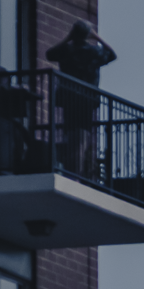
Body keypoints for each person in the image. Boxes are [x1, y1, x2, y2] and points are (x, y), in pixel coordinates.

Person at [45, 21, 117, 177]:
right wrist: (96, 36)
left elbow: (49, 54)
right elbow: (112, 54)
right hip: (86, 100)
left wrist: (68, 38)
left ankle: (73, 170)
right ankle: (76, 173)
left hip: (69, 99)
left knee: (70, 134)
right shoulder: (93, 52)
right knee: (82, 136)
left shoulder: (66, 51)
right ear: (87, 35)